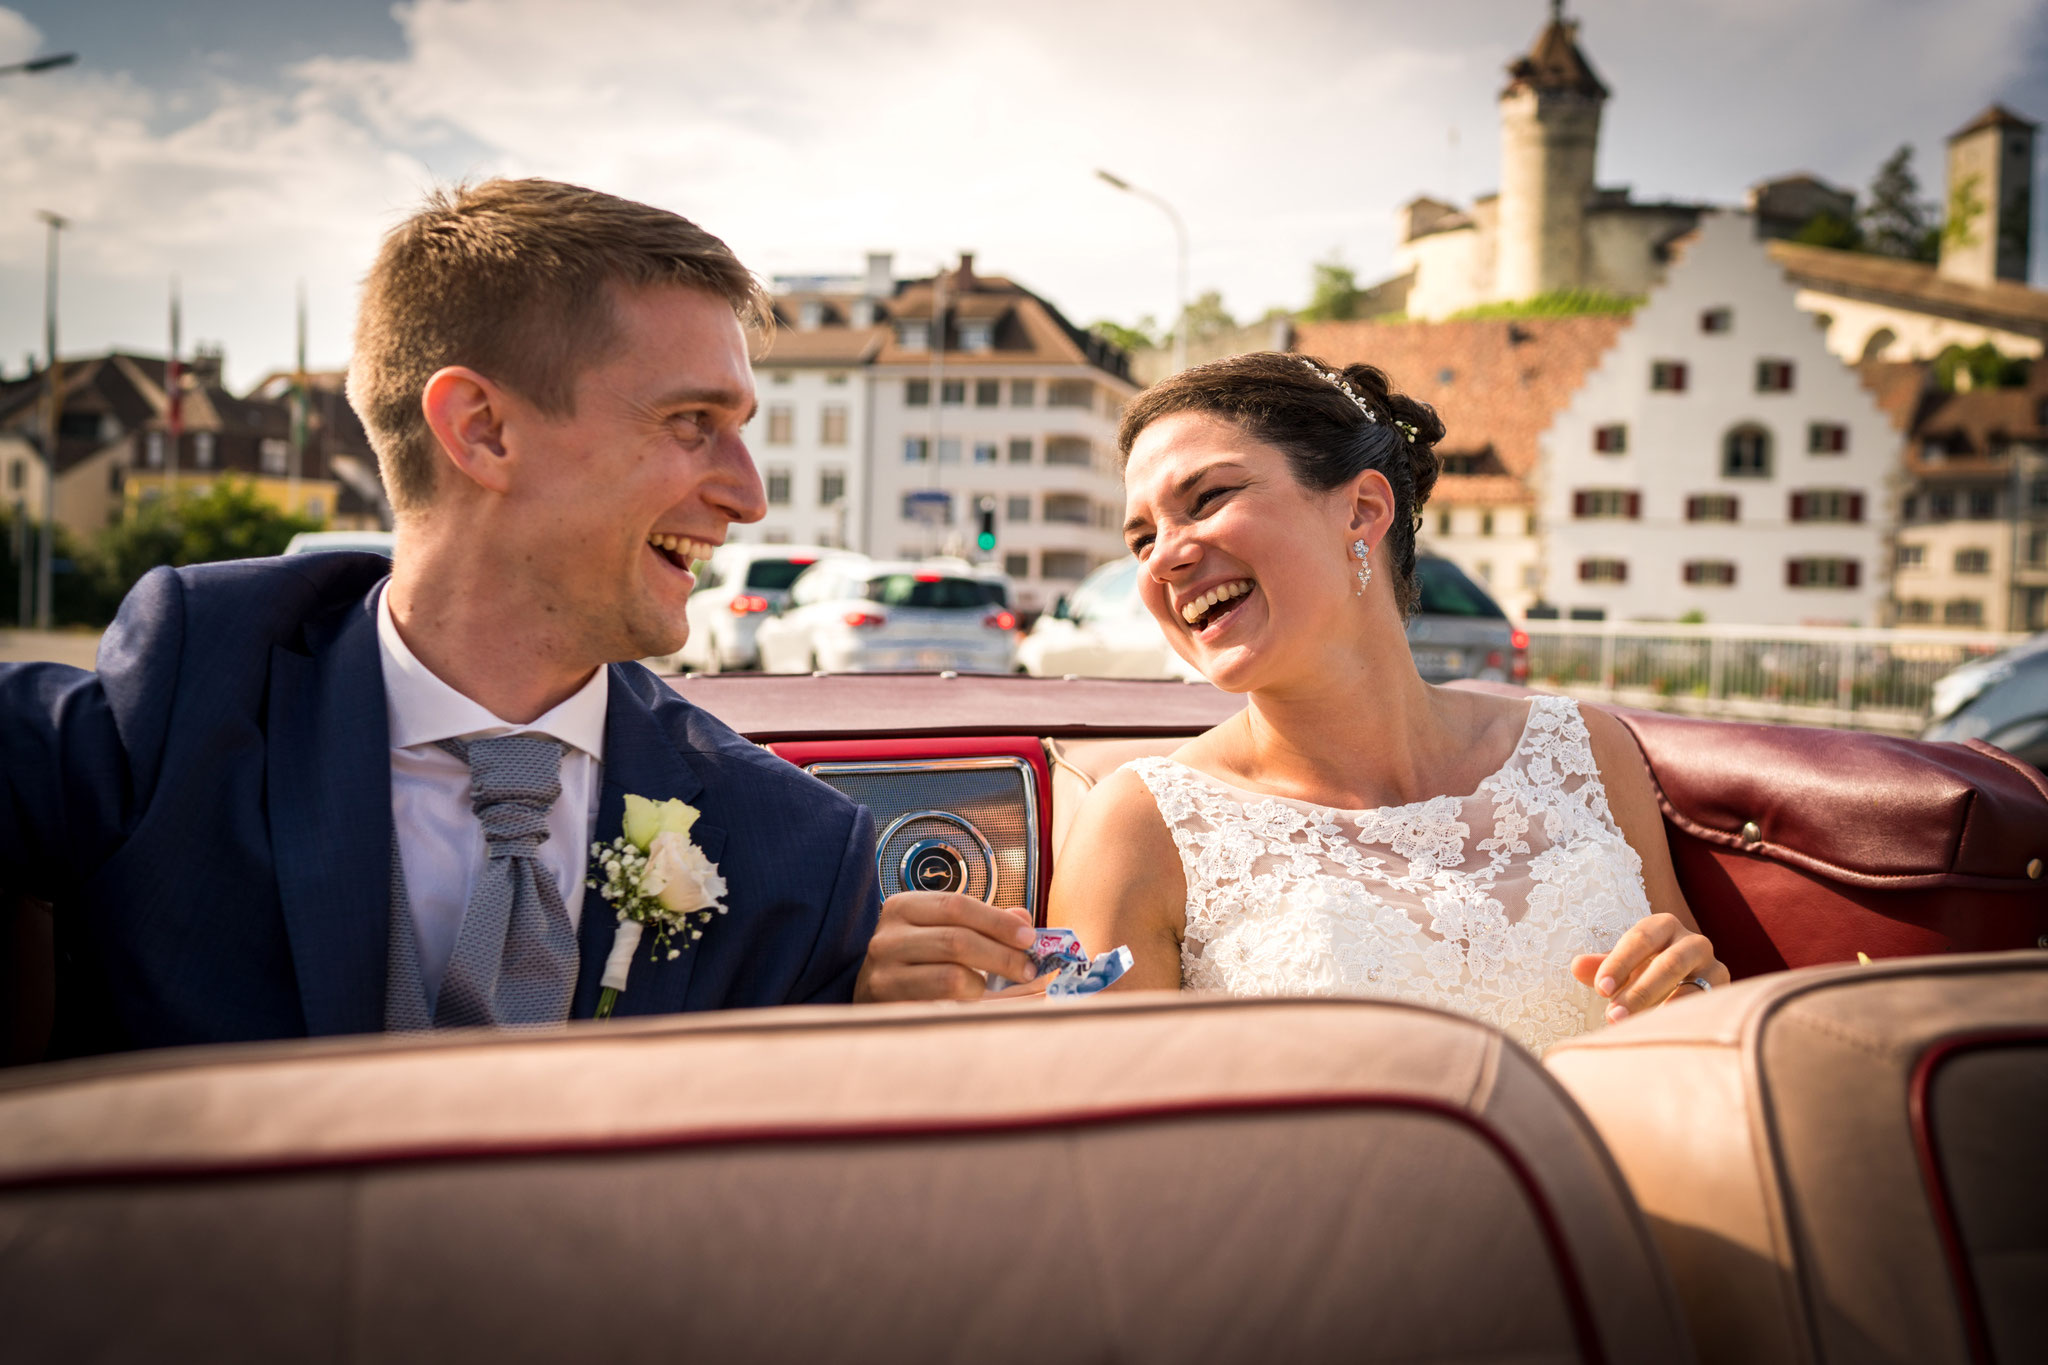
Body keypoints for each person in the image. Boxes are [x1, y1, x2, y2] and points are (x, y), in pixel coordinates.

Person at [0, 178, 1033, 1055]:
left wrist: (879, 1033)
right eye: (692, 422)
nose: (748, 496)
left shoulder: (795, 852)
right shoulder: (184, 695)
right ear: (483, 429)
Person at [1049, 352, 1727, 1054]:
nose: (1163, 559)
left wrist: (1696, 994)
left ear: (1363, 510)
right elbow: (1078, 1092)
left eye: (1208, 499)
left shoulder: (1586, 753)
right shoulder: (1133, 831)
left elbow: (1692, 1028)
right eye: (1142, 539)